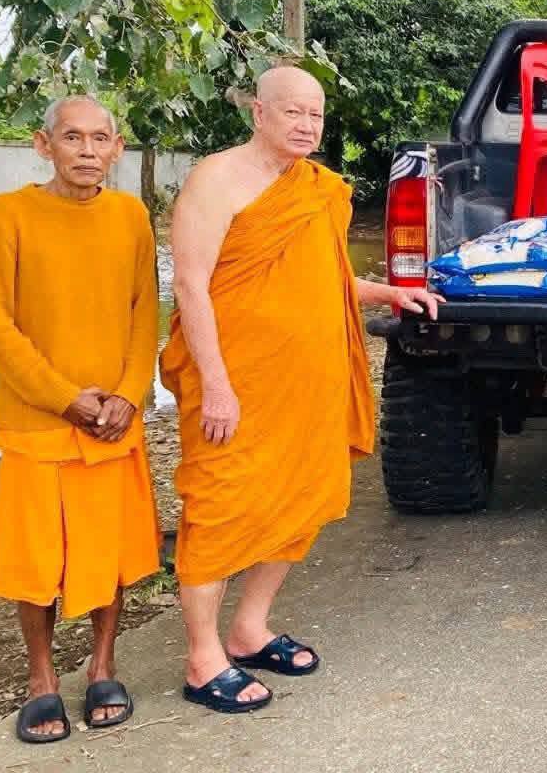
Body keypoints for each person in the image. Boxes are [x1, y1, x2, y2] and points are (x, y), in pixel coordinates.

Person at [162, 66, 442, 713]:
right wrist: (217, 385)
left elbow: (326, 279)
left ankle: (249, 628)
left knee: (302, 499)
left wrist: (390, 292)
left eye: (315, 115)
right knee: (218, 504)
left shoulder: (318, 190)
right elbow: (190, 286)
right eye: (292, 111)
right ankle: (203, 659)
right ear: (258, 113)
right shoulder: (215, 180)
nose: (306, 125)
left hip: (308, 382)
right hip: (234, 382)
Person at [0, 95, 160, 742]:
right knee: (37, 559)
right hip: (38, 420)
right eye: (72, 137)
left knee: (106, 553)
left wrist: (129, 394)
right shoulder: (7, 215)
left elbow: (144, 312)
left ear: (117, 148)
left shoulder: (130, 216)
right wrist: (64, 397)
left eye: (99, 138)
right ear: (43, 144)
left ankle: (103, 666)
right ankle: (41, 679)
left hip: (113, 421)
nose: (86, 150)